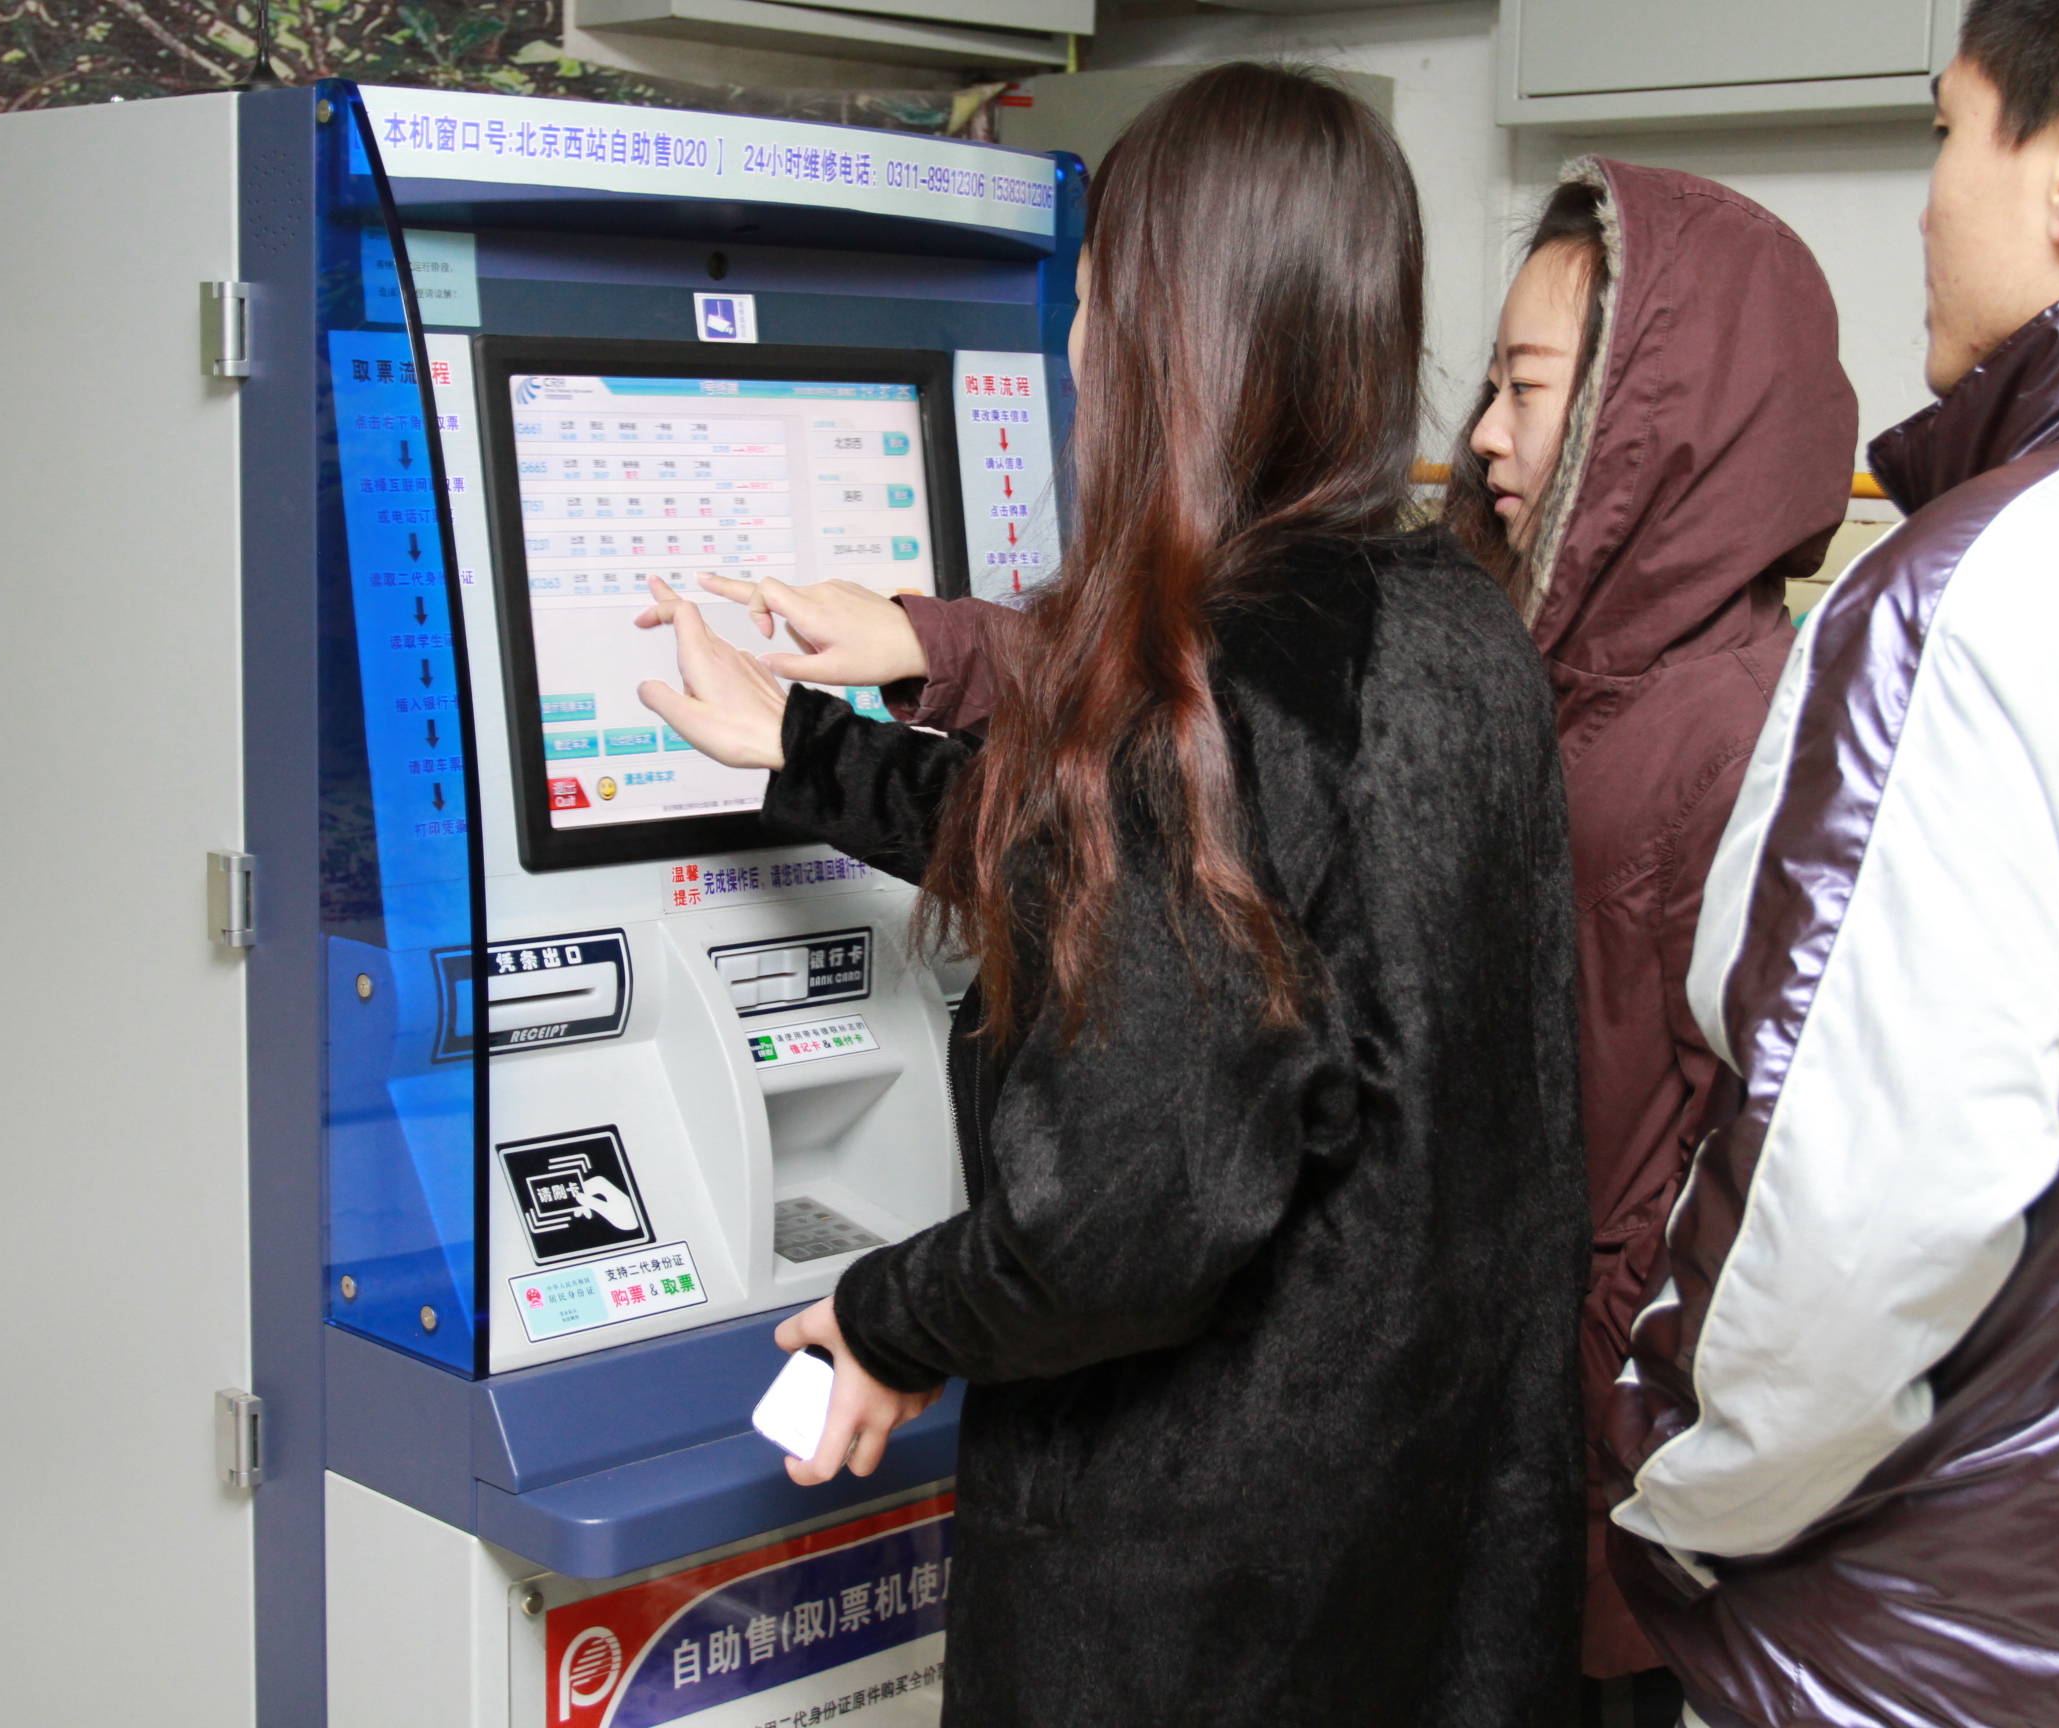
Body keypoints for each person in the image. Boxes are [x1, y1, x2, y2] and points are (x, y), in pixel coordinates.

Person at [636, 62, 1588, 1728]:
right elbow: (1138, 873)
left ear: (1162, 340)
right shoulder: (1458, 625)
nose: (1077, 349)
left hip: (1191, 1608)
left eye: (1089, 305)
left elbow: (1109, 1226)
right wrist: (805, 746)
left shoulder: (1204, 682)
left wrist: (889, 1318)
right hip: (1415, 1566)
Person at [1606, 3, 2059, 1724]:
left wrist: (1666, 1485)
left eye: (1944, 132)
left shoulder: (1986, 588)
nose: (1924, 202)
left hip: (1952, 1643)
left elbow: (1854, 1227)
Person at [1443, 163, 1857, 1723]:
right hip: (1512, 1435)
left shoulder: (1737, 733)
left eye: (1527, 389)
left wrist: (1595, 1440)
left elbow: (1727, 1162)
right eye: (1490, 388)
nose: (1485, 437)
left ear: (1649, 423)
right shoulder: (1549, 671)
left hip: (1590, 1469)